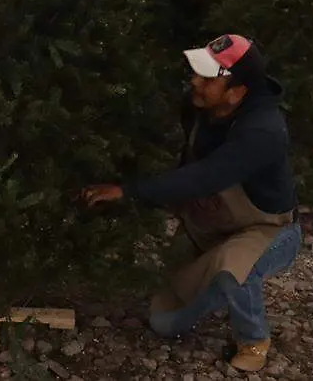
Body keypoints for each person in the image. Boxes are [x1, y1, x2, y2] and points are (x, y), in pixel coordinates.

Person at [81, 34, 301, 373]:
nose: (194, 81)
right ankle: (215, 284)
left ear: (237, 91)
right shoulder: (202, 107)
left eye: (207, 78)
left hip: (267, 232)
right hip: (210, 227)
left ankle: (254, 340)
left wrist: (127, 191)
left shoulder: (262, 131)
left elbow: (205, 176)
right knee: (164, 322)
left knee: (232, 267)